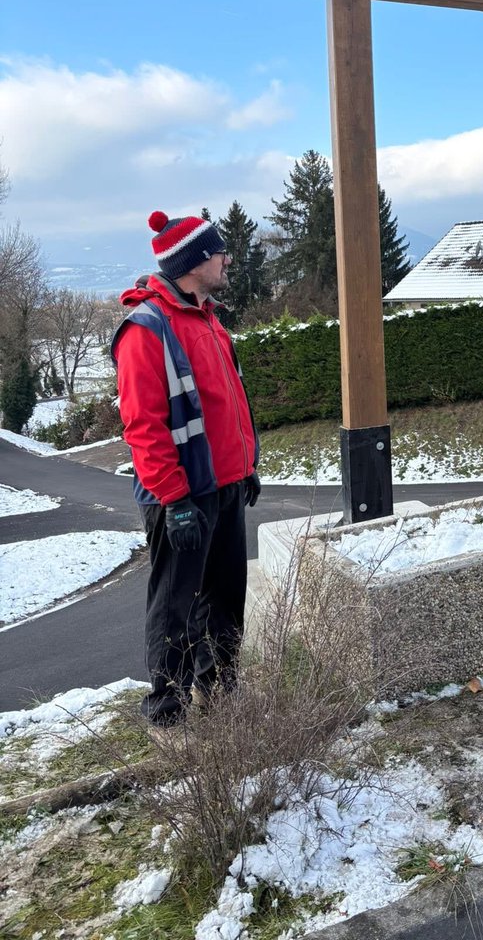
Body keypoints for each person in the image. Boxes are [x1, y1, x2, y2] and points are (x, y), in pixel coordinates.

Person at [112, 211, 261, 728]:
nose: (227, 259)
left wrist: (246, 466)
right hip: (180, 497)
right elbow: (143, 427)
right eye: (219, 252)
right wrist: (173, 501)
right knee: (175, 610)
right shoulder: (145, 328)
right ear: (195, 261)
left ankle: (220, 698)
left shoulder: (208, 317)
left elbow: (229, 403)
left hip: (224, 488)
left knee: (224, 602)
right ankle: (168, 713)